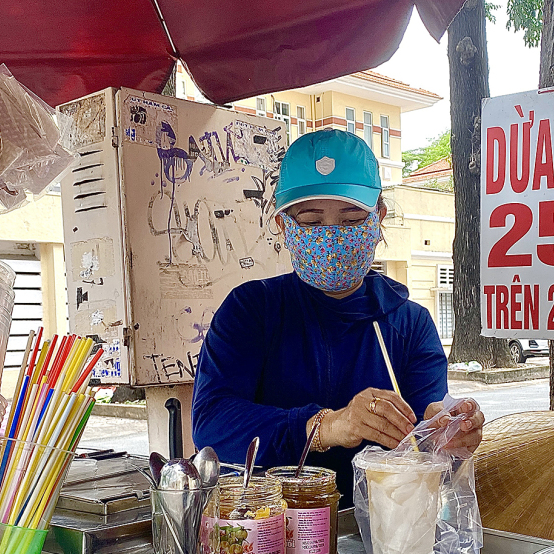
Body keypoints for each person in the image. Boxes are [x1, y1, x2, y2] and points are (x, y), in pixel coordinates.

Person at [192, 128, 484, 499]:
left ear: (378, 217)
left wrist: (446, 434)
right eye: (312, 222)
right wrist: (325, 426)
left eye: (350, 220)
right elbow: (212, 425)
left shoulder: (409, 324)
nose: (331, 237)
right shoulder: (251, 310)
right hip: (265, 529)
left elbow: (422, 444)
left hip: (378, 529)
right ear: (284, 225)